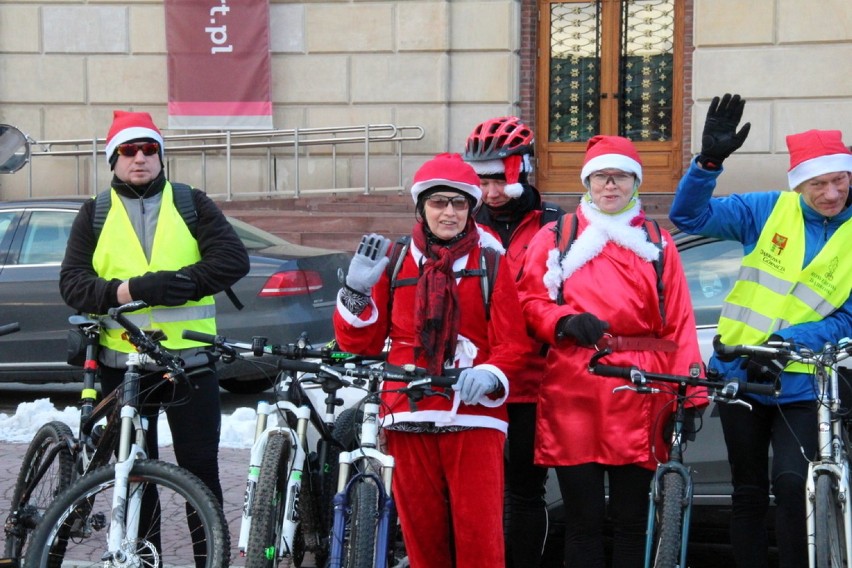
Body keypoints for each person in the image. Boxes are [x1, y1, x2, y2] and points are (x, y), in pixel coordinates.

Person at [669, 93, 852, 568]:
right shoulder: (768, 209)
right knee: (746, 492)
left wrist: (794, 342)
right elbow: (689, 217)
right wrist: (708, 163)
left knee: (793, 486)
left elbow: (848, 315)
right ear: (799, 185)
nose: (832, 193)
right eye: (819, 184)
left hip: (803, 382)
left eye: (840, 180)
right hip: (740, 373)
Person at [59, 110, 250, 553]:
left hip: (191, 366)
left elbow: (232, 259)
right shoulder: (94, 213)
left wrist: (183, 284)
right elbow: (72, 284)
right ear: (113, 159)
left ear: (161, 157)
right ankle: (147, 562)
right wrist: (131, 290)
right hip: (123, 368)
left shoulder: (190, 202)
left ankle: (211, 560)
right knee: (137, 477)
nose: (140, 158)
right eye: (129, 150)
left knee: (200, 475)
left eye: (149, 149)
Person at [517, 135, 706, 567]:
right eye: (601, 177)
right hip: (574, 386)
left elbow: (679, 323)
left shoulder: (659, 244)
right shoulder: (555, 237)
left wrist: (692, 393)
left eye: (620, 176)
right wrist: (563, 321)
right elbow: (530, 304)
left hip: (641, 390)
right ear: (587, 182)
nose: (610, 185)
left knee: (632, 522)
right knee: (582, 522)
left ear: (634, 183)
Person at [333, 152, 529, 568]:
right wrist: (357, 292)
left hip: (473, 416)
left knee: (480, 541)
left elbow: (513, 344)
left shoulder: (491, 263)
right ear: (421, 208)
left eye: (459, 203)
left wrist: (491, 374)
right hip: (407, 409)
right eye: (439, 202)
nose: (449, 212)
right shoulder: (398, 262)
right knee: (423, 539)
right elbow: (361, 343)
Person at [462, 116, 563, 567]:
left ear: (521, 168)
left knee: (524, 490)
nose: (491, 193)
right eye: (481, 182)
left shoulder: (560, 225)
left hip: (532, 382)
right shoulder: (461, 224)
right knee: (477, 489)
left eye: (499, 179)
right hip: (475, 379)